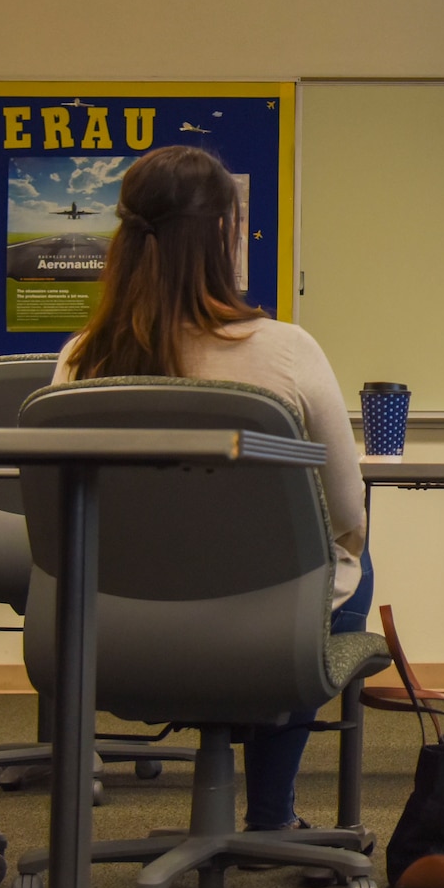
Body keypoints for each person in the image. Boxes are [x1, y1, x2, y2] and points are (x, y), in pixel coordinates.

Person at [54, 145, 371, 837]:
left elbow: (54, 517)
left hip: (118, 632)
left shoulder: (80, 359)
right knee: (349, 564)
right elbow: (347, 510)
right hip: (264, 629)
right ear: (226, 234)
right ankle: (272, 815)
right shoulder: (285, 350)